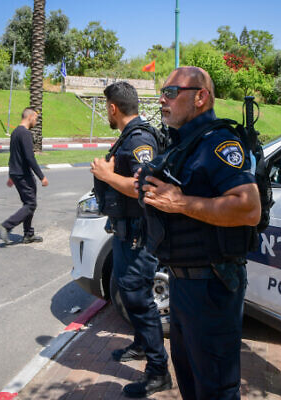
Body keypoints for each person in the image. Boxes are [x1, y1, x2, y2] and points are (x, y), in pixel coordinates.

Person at [139, 67, 261, 400]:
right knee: (191, 383)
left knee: (215, 389)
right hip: (183, 283)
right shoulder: (185, 145)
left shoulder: (219, 143)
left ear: (200, 97)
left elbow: (249, 208)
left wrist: (180, 202)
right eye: (162, 92)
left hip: (212, 285)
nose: (163, 99)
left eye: (171, 92)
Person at [90, 81, 171, 398]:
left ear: (113, 108)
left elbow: (147, 187)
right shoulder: (130, 135)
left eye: (106, 108)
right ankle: (141, 343)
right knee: (128, 290)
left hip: (139, 232)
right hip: (127, 231)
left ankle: (158, 372)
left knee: (138, 297)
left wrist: (106, 175)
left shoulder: (138, 138)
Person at [0, 108, 48, 244]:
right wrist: (42, 176)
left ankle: (28, 234)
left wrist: (12, 175)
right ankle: (5, 226)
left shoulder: (15, 132)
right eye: (35, 118)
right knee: (30, 204)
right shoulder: (25, 134)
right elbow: (30, 158)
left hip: (16, 172)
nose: (36, 121)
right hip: (23, 174)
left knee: (28, 203)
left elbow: (14, 155)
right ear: (29, 117)